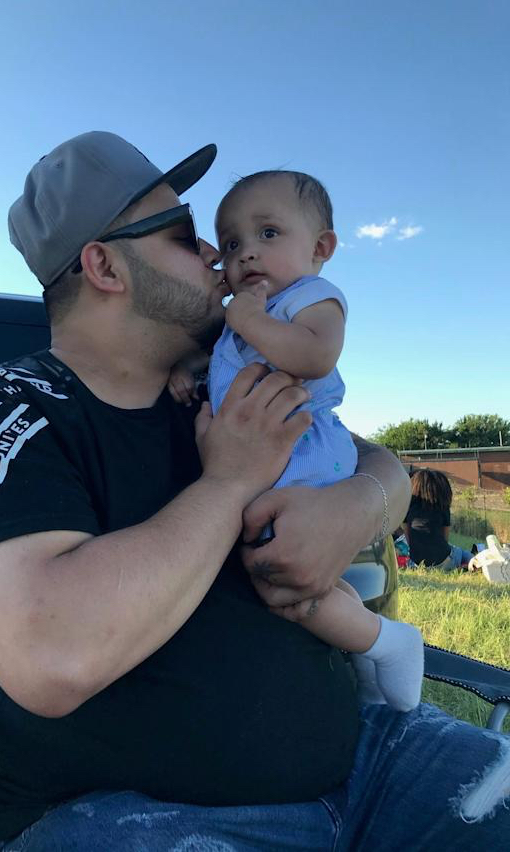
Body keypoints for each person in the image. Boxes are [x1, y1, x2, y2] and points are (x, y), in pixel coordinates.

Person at [0, 132, 509, 850]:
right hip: (143, 818)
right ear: (105, 266)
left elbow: (376, 461)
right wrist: (231, 480)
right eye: (185, 235)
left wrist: (357, 506)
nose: (218, 257)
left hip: (369, 759)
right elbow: (52, 655)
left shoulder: (218, 379)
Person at [169, 170, 423, 712]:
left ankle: (386, 643)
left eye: (268, 233)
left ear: (320, 248)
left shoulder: (311, 298)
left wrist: (248, 319)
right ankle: (370, 649)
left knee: (273, 570)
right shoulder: (245, 318)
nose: (244, 254)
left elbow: (314, 356)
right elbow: (225, 362)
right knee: (301, 579)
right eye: (232, 243)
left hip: (304, 449)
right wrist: (187, 369)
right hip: (276, 451)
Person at [404, 469, 472, 569]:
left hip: (416, 563)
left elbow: (408, 538)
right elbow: (445, 538)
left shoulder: (408, 507)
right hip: (443, 561)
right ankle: (475, 561)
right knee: (461, 552)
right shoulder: (442, 507)